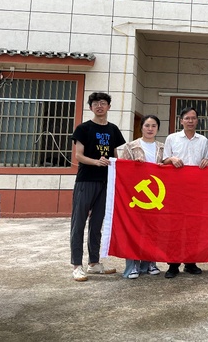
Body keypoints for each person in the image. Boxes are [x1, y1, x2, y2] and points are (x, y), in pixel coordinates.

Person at [70, 92, 126, 282]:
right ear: (90, 107)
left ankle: (94, 263)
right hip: (86, 180)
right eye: (95, 103)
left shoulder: (113, 129)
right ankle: (77, 266)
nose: (99, 106)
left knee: (97, 224)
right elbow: (78, 155)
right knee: (78, 223)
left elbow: (116, 155)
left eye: (103, 103)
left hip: (106, 182)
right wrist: (96, 162)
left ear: (109, 106)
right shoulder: (83, 128)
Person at [162, 106, 208, 279]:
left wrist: (206, 161)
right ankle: (173, 264)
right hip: (176, 189)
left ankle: (190, 262)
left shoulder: (203, 140)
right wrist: (172, 159)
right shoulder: (172, 138)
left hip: (196, 190)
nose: (190, 121)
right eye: (187, 118)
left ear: (197, 121)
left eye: (193, 118)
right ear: (181, 121)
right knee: (175, 227)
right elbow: (164, 160)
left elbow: (206, 160)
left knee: (193, 227)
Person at [119, 114, 165, 279]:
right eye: (147, 125)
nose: (150, 129)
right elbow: (122, 169)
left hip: (157, 194)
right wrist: (134, 166)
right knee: (134, 229)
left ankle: (150, 262)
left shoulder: (163, 147)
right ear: (141, 127)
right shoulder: (131, 147)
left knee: (152, 230)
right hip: (135, 195)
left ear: (157, 128)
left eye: (153, 126)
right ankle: (132, 265)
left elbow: (167, 167)